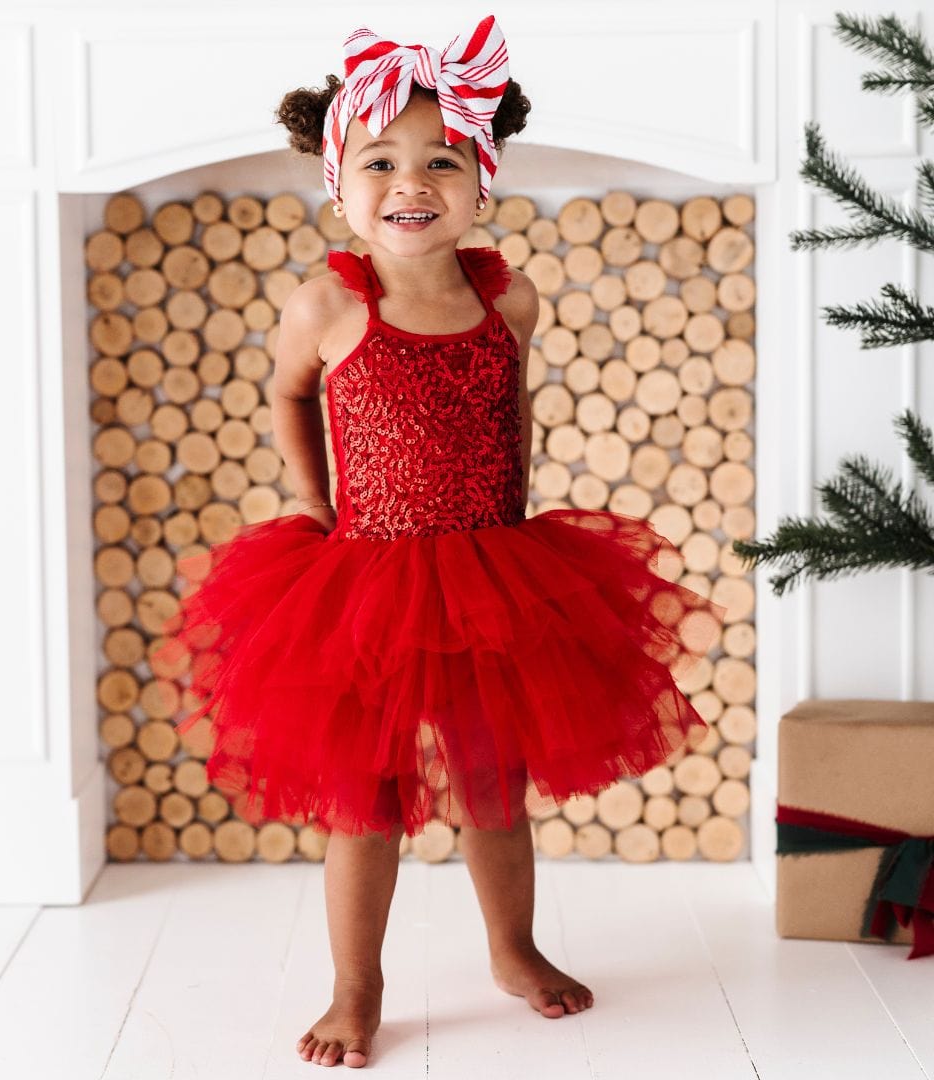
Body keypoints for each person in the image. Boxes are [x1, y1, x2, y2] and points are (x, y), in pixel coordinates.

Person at [155, 13, 727, 1069]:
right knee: (364, 802)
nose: (410, 182)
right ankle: (356, 985)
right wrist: (316, 506)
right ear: (339, 186)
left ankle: (514, 951)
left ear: (481, 180)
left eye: (441, 160)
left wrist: (513, 506)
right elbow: (289, 394)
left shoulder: (507, 296)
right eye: (379, 161)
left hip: (491, 570)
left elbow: (509, 406)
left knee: (492, 784)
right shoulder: (328, 300)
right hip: (367, 575)